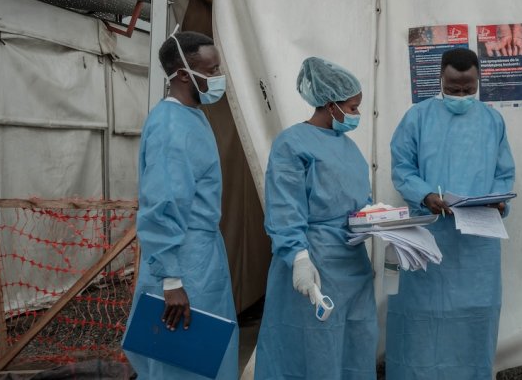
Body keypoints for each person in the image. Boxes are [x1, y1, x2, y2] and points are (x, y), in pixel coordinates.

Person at [386, 47, 516, 379]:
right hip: (428, 238)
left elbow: (504, 174)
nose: (461, 94)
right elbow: (402, 169)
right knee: (421, 321)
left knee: (475, 322)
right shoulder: (417, 117)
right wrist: (425, 194)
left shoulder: (492, 120)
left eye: (468, 88)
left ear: (478, 80)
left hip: (478, 245)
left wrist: (499, 203)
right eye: (454, 88)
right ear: (440, 78)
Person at [124, 30, 238, 379]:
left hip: (199, 257)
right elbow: (163, 205)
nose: (219, 78)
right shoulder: (172, 128)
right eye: (213, 69)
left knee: (206, 358)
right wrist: (171, 281)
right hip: (182, 261)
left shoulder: (192, 116)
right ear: (185, 74)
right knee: (181, 362)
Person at [254, 57, 377, 379]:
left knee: (355, 343)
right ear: (329, 104)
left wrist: (382, 222)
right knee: (313, 349)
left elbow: (359, 199)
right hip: (315, 264)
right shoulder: (292, 144)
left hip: (353, 262)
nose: (357, 115)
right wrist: (298, 258)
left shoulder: (348, 148)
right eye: (352, 107)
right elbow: (284, 208)